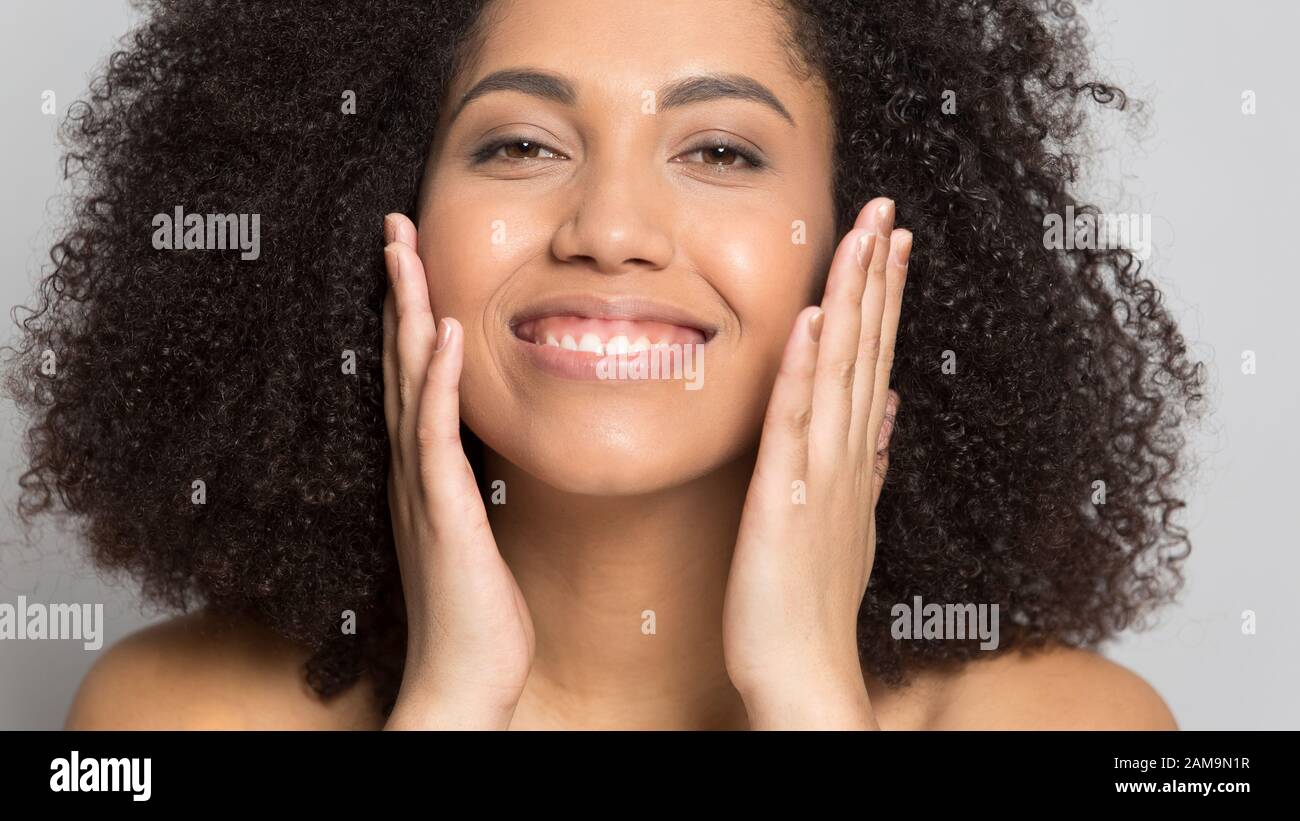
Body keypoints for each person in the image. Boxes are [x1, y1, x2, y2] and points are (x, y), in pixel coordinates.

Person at [9, 0, 1202, 730]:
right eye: (520, 142)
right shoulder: (178, 715)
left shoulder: (1066, 723)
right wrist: (450, 707)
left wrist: (803, 695)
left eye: (722, 150)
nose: (610, 224)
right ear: (378, 210)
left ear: (860, 242)